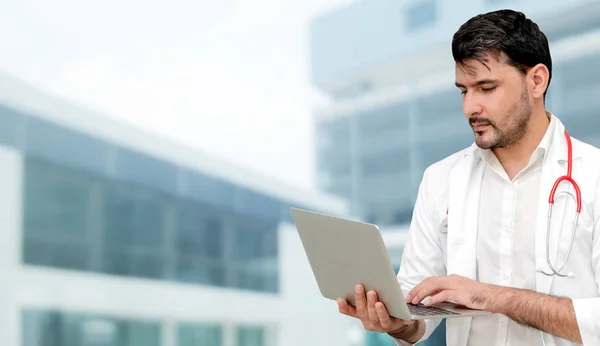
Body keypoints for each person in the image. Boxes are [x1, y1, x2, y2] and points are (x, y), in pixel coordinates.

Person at [337, 9, 600, 346]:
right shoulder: (440, 179)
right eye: (464, 90)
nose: (470, 107)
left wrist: (493, 297)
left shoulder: (592, 175)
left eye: (486, 88)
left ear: (537, 80)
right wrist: (395, 322)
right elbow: (417, 320)